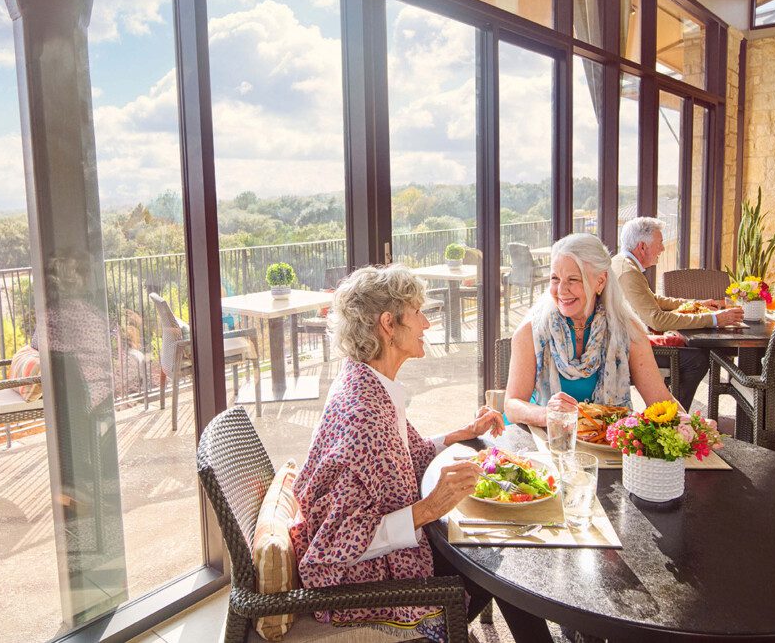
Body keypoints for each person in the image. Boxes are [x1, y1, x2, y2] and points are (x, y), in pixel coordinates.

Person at [290, 265, 554, 643]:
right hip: (375, 584)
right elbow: (334, 545)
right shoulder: (363, 414)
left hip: (397, 553)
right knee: (506, 563)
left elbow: (395, 456)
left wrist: (457, 435)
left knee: (500, 552)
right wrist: (428, 509)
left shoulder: (366, 382)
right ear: (388, 323)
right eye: (417, 312)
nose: (426, 324)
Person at [505, 233, 678, 426]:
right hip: (540, 437)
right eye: (555, 278)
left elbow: (661, 401)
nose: (561, 289)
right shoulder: (532, 331)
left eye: (573, 279)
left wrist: (693, 426)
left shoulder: (627, 330)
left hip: (603, 440)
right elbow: (512, 404)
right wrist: (548, 415)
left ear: (600, 281)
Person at [611, 217, 743, 409]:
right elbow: (657, 321)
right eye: (660, 243)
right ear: (642, 247)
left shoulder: (623, 263)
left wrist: (696, 303)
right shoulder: (628, 272)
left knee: (695, 353)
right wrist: (715, 318)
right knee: (697, 359)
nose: (663, 249)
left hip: (625, 343)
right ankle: (671, 418)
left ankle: (669, 412)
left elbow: (654, 300)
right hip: (626, 351)